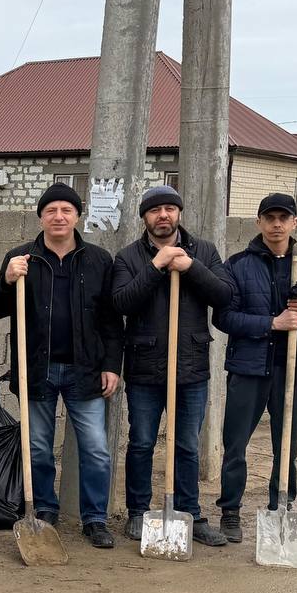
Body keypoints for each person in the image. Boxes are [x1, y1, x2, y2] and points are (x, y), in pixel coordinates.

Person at [0, 183, 125, 549]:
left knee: (95, 448)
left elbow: (111, 321)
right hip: (37, 369)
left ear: (77, 216)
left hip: (86, 369)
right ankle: (44, 511)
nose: (59, 217)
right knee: (37, 448)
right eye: (52, 211)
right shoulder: (21, 258)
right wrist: (7, 280)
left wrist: (112, 365)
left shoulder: (98, 260)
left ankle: (94, 519)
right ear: (41, 217)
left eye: (66, 210)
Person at [111, 185, 235, 546]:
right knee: (142, 443)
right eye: (155, 210)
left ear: (179, 213)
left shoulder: (205, 252)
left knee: (186, 446)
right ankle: (137, 512)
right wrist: (157, 266)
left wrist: (190, 267)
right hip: (145, 367)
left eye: (169, 208)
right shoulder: (128, 257)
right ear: (144, 217)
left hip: (191, 367)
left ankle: (190, 515)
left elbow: (224, 295)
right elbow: (122, 302)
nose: (162, 215)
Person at [213, 192, 297, 541]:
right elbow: (224, 317)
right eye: (270, 218)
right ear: (259, 222)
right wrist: (271, 323)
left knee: (287, 445)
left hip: (295, 373)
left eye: (284, 218)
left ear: (295, 222)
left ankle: (281, 504)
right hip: (249, 369)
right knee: (235, 444)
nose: (277, 224)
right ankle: (230, 511)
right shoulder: (237, 266)